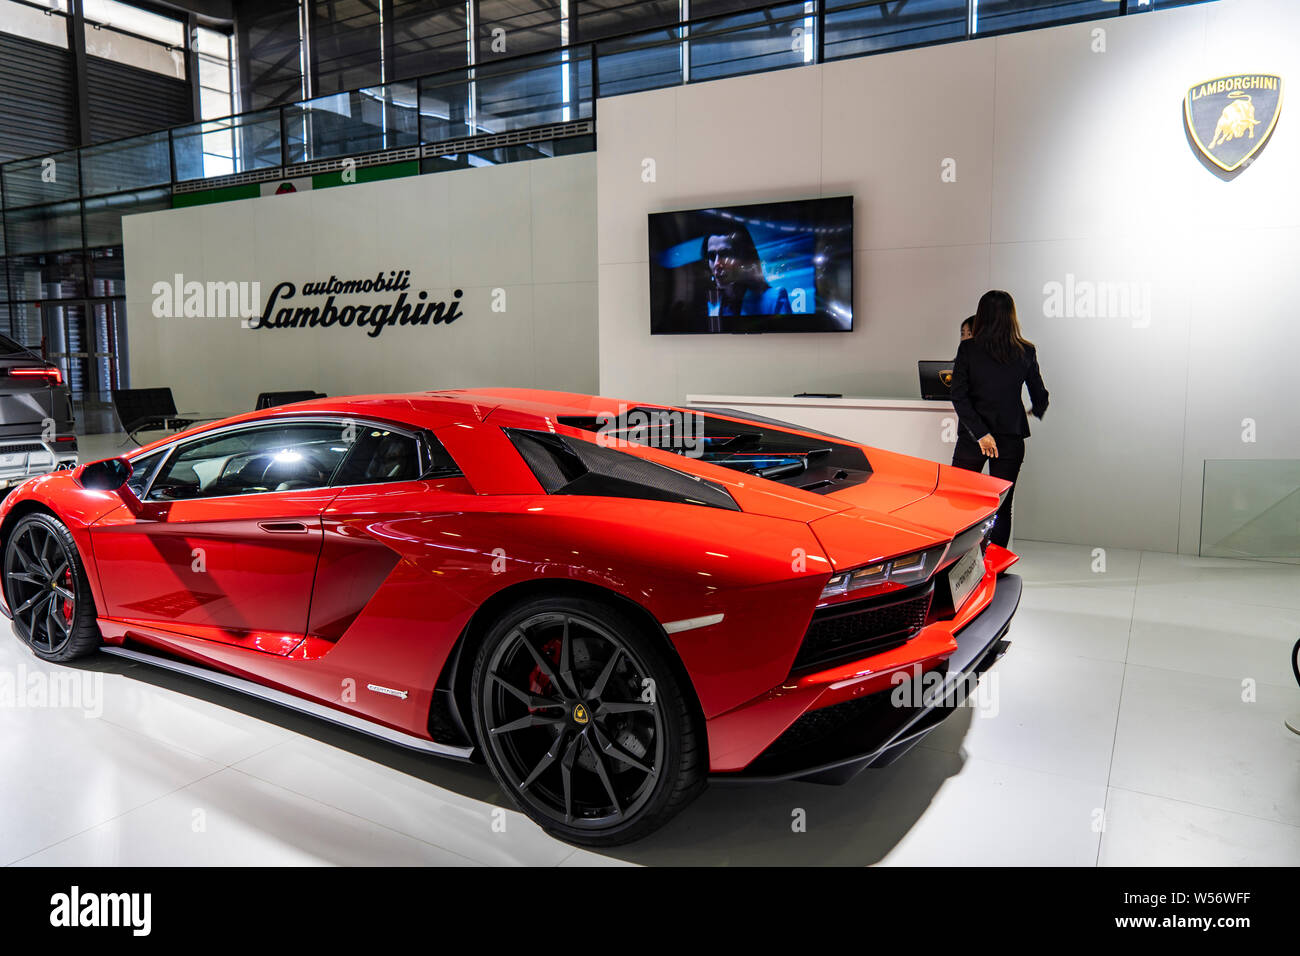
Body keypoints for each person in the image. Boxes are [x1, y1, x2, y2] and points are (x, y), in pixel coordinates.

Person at [949, 290, 1049, 548]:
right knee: (1002, 508)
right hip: (1010, 436)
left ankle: (960, 566)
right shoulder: (1026, 351)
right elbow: (1040, 395)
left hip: (973, 438)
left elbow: (958, 396)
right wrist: (1034, 410)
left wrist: (982, 434)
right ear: (1011, 317)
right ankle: (998, 568)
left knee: (961, 502)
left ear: (981, 316)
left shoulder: (968, 349)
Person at [701, 224, 791, 318]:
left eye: (725, 254)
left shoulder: (774, 299)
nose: (716, 264)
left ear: (744, 257)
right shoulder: (713, 306)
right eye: (712, 256)